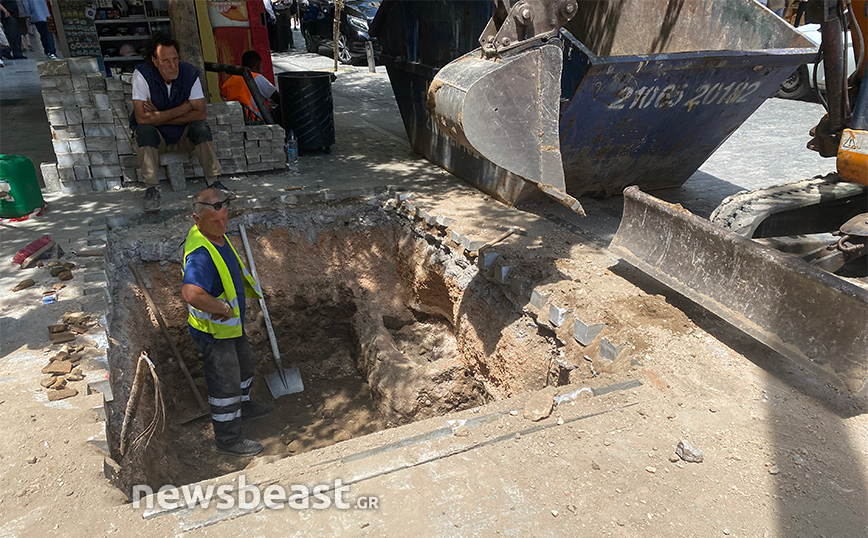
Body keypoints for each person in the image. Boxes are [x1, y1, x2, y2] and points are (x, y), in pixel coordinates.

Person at [181, 188, 275, 456]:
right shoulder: (201, 253)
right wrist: (221, 307)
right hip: (213, 332)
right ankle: (228, 439)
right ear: (197, 219)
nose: (222, 225)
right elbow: (191, 293)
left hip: (229, 327)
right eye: (215, 221)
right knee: (225, 384)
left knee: (246, 364)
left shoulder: (214, 236)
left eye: (224, 218)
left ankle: (243, 408)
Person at [130, 32, 225, 212]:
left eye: (175, 59)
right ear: (154, 60)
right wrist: (183, 108)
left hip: (183, 136)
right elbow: (142, 118)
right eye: (166, 61)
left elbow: (201, 113)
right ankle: (152, 189)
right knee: (144, 131)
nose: (173, 66)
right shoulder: (142, 74)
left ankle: (215, 181)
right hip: (158, 140)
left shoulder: (189, 73)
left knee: (201, 128)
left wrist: (158, 115)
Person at [220, 50, 281, 124]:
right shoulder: (257, 77)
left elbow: (223, 95)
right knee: (284, 106)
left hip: (236, 117)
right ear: (258, 65)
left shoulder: (232, 79)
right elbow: (277, 98)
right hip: (256, 119)